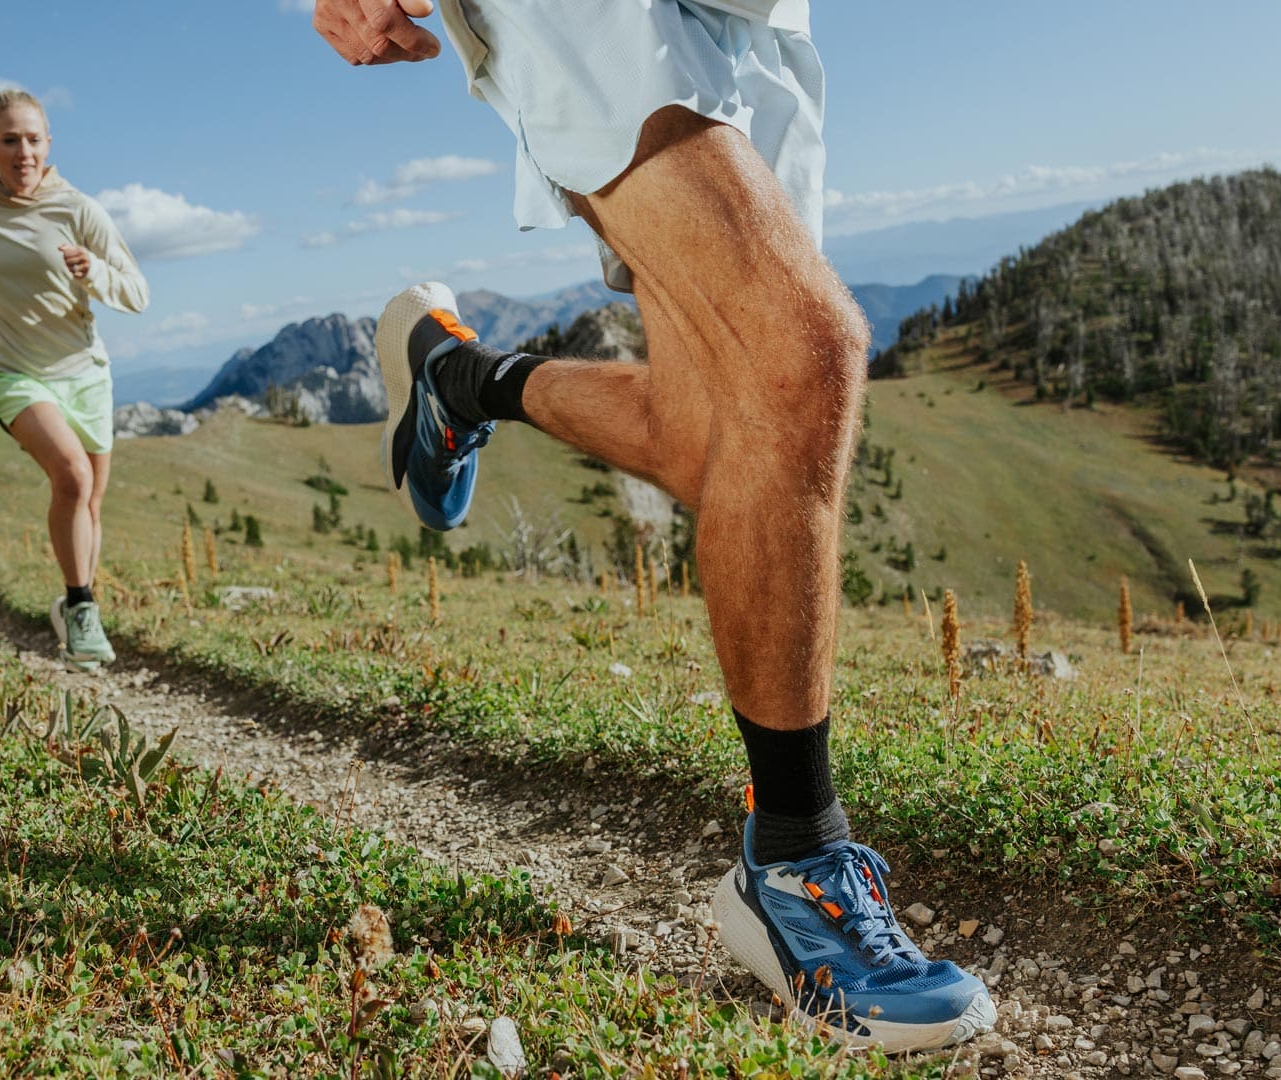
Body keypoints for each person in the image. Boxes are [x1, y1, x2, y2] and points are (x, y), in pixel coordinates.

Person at [314, 0, 995, 1052]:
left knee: (714, 435)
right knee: (803, 355)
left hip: (754, 16)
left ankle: (458, 378)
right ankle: (795, 856)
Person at [0, 88, 149, 669]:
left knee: (90, 503)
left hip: (84, 373)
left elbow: (137, 293)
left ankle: (73, 604)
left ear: (49, 143)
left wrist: (94, 272)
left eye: (33, 139)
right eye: (10, 140)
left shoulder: (79, 210)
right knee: (73, 478)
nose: (23, 152)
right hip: (13, 371)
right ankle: (83, 607)